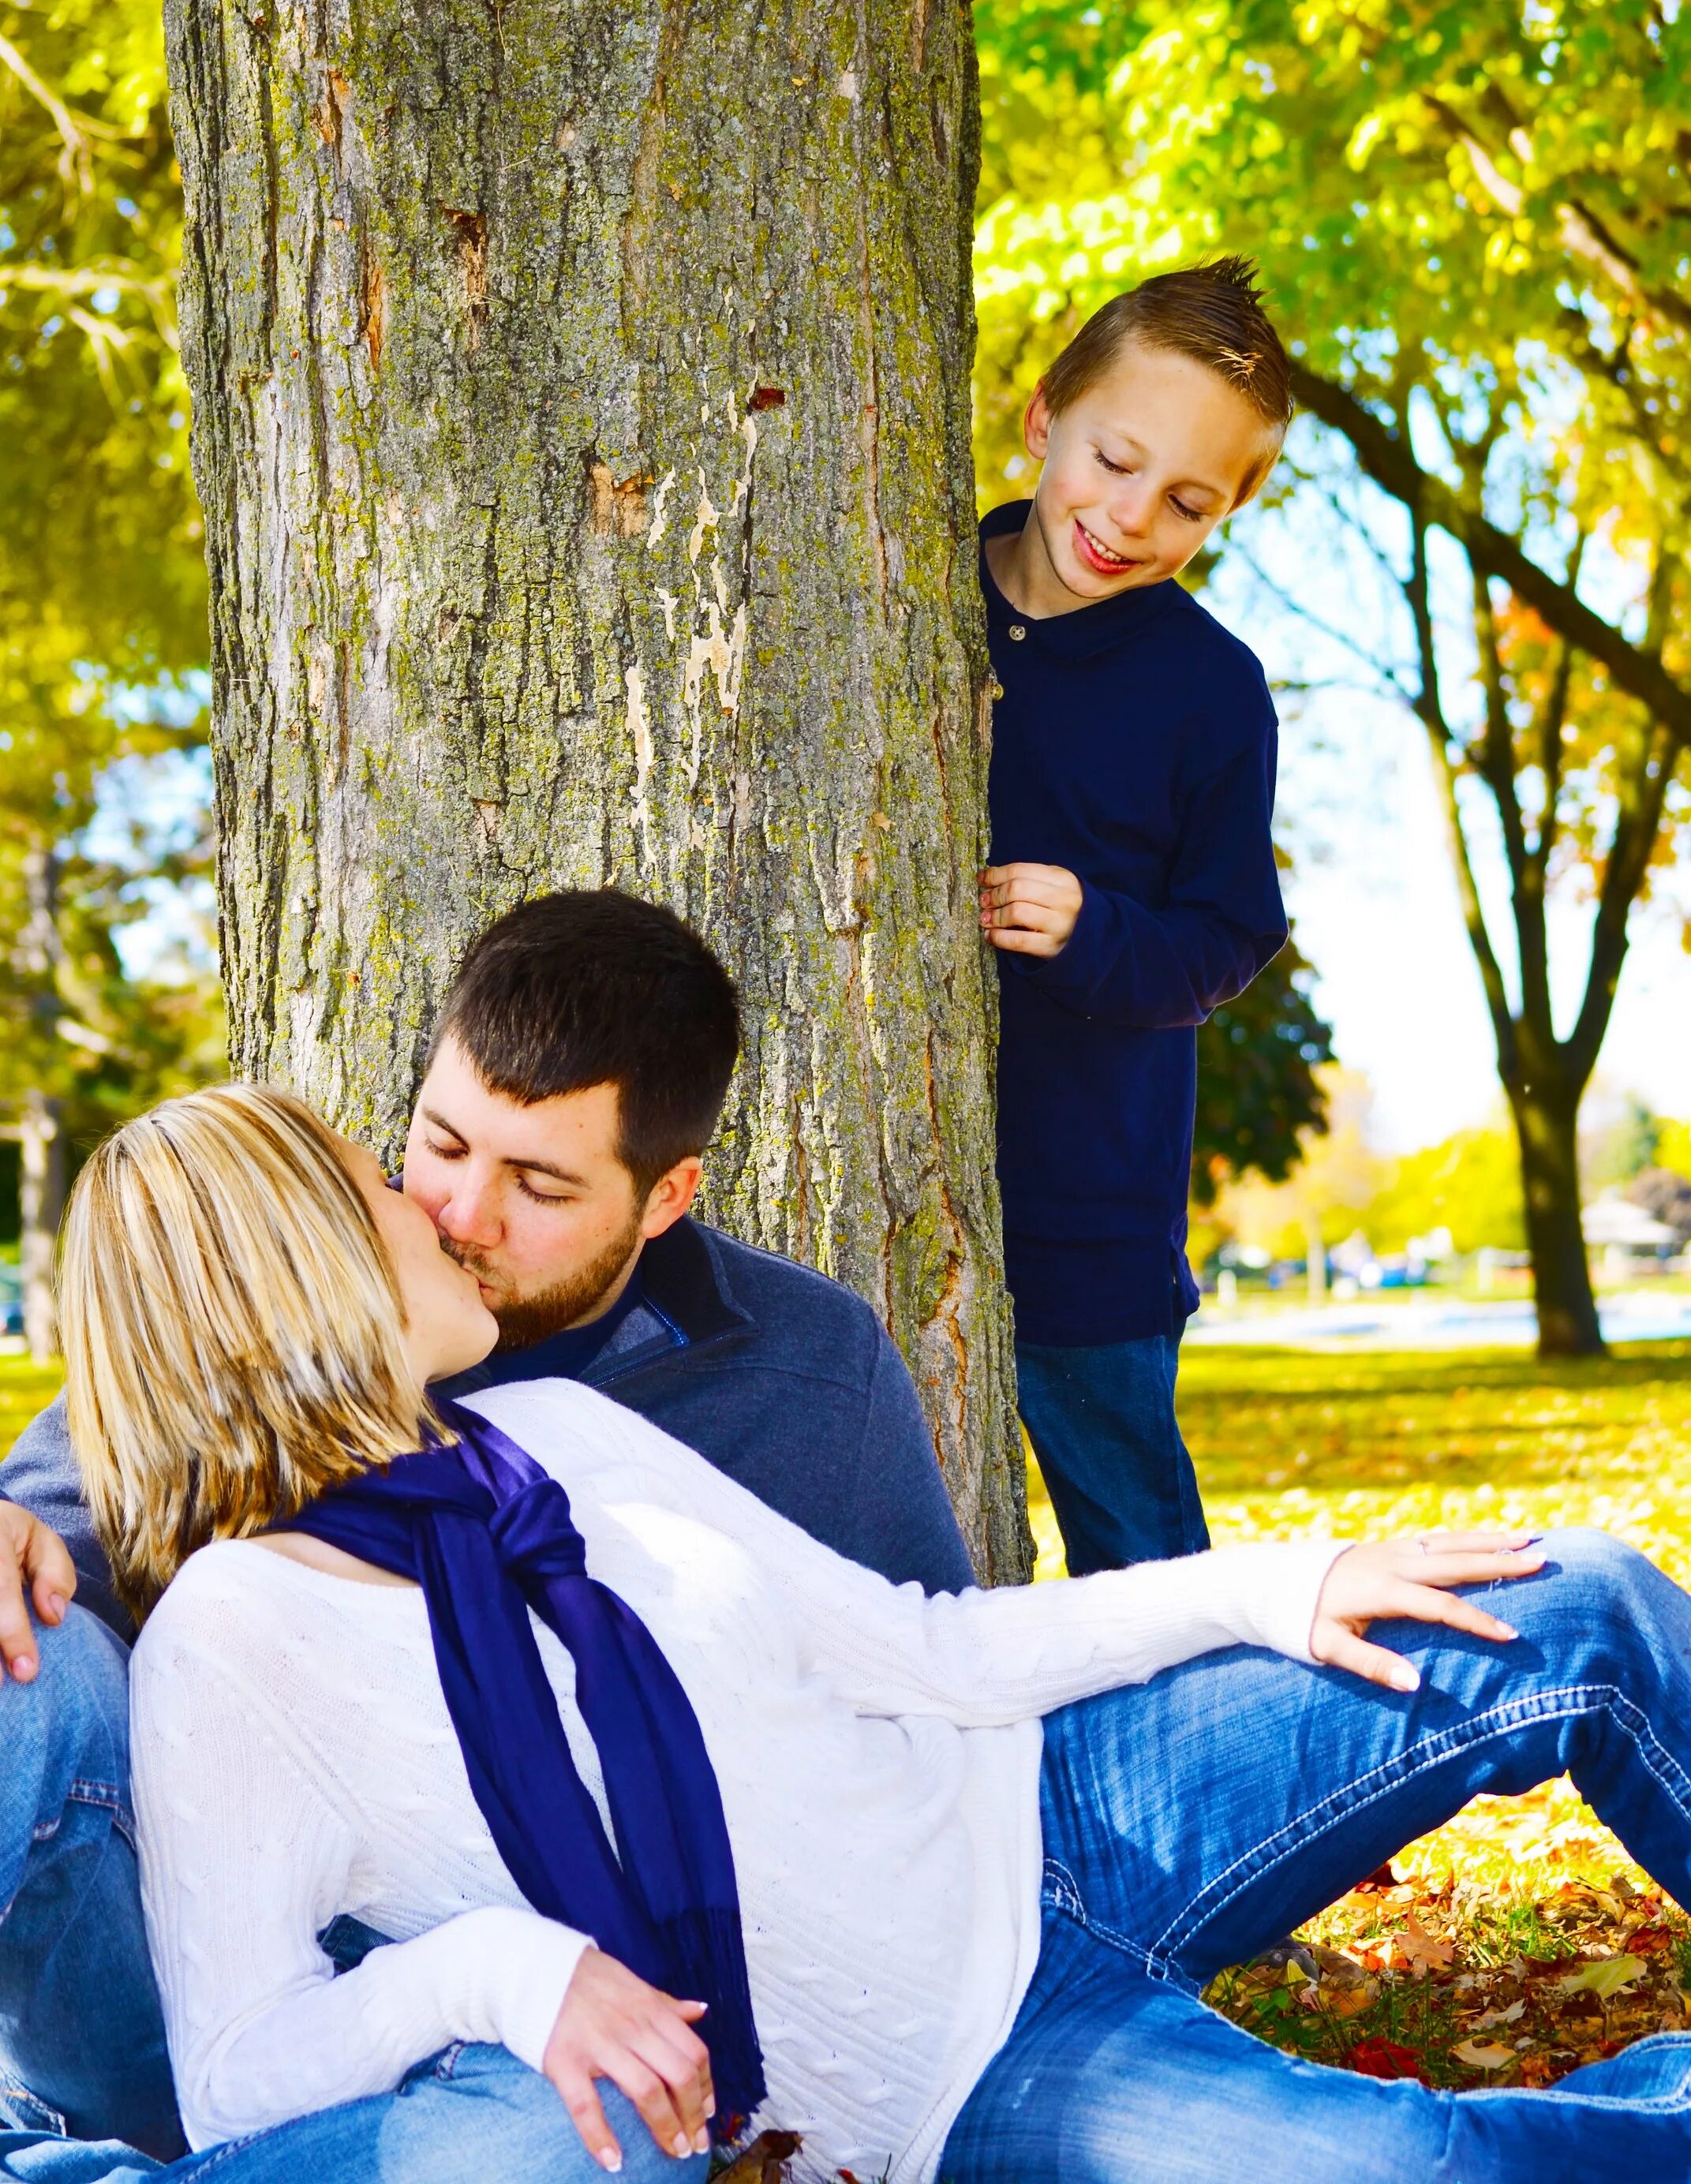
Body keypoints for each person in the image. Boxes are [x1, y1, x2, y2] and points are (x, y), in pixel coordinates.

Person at [58, 1080, 1691, 2184]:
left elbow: (918, 1645)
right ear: (296, 1278)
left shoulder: (551, 1433)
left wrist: (1274, 1587)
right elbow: (235, 2078)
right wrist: (497, 1969)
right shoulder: (232, 1644)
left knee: (1581, 1603)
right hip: (974, 2071)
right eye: (385, 1196)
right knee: (1423, 2169)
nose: (444, 1214)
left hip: (1048, 1801)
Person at [0, 889, 971, 2170]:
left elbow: (934, 1714)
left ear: (664, 1194)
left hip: (522, 2057)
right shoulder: (297, 1299)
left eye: (540, 1184)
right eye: (439, 1145)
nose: (460, 1213)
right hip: (194, 1994)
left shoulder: (807, 1374)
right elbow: (57, 1541)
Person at [978, 256, 1293, 1576]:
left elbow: (1231, 937)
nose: (1129, 516)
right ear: (1047, 417)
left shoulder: (1211, 692)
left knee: (1139, 1555)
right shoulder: (902, 584)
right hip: (901, 1168)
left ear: (1231, 509)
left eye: (1185, 502)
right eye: (1114, 459)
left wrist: (1097, 928)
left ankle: (1197, 1757)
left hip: (1088, 1214)